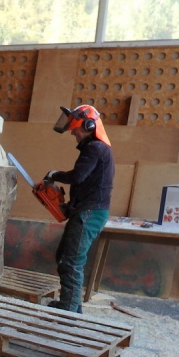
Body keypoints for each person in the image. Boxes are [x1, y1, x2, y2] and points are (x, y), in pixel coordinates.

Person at [45, 104, 115, 313]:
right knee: (65, 256)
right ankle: (71, 304)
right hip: (86, 209)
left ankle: (69, 308)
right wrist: (71, 206)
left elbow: (78, 176)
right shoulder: (94, 148)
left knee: (72, 260)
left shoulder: (95, 148)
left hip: (90, 212)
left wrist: (55, 175)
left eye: (76, 129)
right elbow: (85, 183)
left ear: (89, 126)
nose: (73, 133)